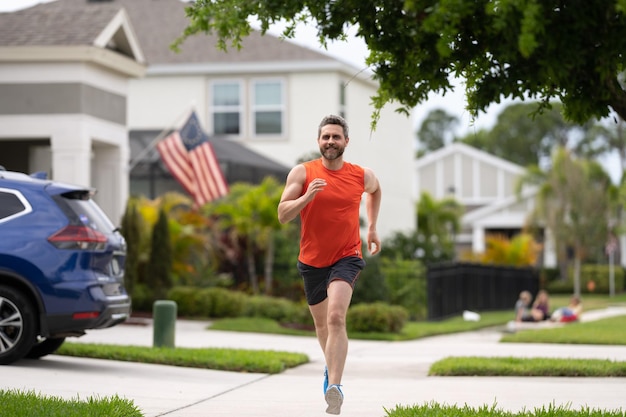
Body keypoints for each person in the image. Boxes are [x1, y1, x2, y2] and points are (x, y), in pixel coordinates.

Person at [277, 114, 382, 415]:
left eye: (336, 137)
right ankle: (330, 370)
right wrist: (307, 197)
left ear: (346, 141)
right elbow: (283, 214)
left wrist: (372, 227)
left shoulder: (360, 175)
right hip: (311, 261)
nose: (331, 142)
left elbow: (375, 190)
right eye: (326, 137)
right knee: (322, 325)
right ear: (318, 141)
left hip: (347, 256)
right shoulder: (303, 172)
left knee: (336, 318)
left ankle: (335, 387)